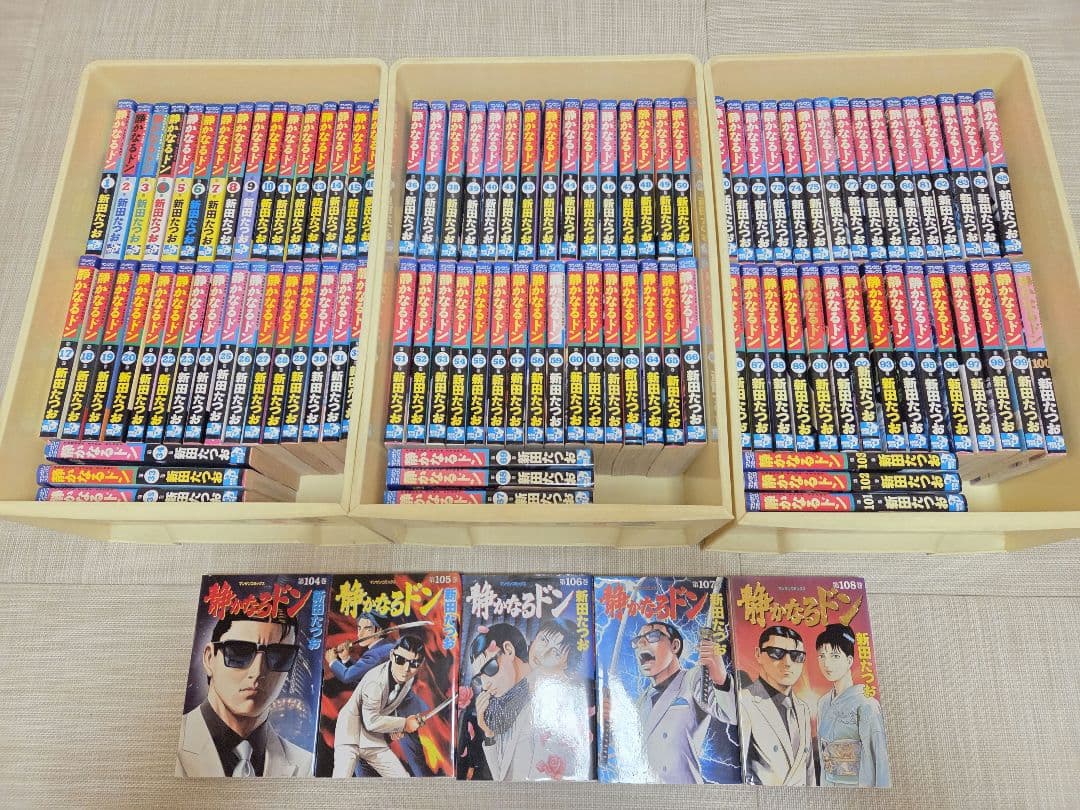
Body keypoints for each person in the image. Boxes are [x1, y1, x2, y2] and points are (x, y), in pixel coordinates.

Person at [176, 612, 310, 777]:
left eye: (279, 656)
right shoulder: (168, 744)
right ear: (210, 658)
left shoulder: (306, 765)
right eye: (239, 652)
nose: (257, 672)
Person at [628, 620, 737, 783]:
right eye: (637, 641)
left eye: (652, 636)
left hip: (685, 787)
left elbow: (731, 714)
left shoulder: (693, 678)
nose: (641, 643)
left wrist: (720, 678)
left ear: (675, 646)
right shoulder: (641, 701)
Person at [324, 615, 429, 777]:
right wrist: (402, 724)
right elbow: (370, 712)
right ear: (393, 656)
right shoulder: (376, 677)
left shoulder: (402, 666)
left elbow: (386, 695)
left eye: (414, 664)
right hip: (352, 735)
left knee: (403, 778)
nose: (406, 669)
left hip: (376, 735)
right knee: (343, 780)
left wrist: (395, 728)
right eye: (400, 660)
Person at [814, 623, 891, 787]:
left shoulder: (866, 703)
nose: (827, 663)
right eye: (822, 656)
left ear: (849, 660)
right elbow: (822, 754)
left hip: (859, 785)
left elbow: (880, 756)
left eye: (835, 656)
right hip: (829, 786)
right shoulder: (823, 704)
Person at [737, 625, 815, 786]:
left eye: (797, 656)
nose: (788, 663)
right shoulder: (745, 702)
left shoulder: (803, 709)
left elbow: (809, 772)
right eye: (777, 653)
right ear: (758, 654)